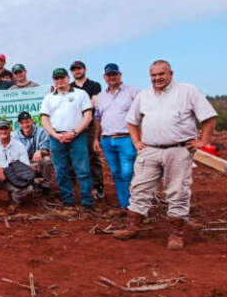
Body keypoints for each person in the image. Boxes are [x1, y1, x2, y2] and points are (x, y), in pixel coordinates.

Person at [113, 60, 217, 250]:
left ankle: (176, 233)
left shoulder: (188, 91)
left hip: (178, 150)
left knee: (177, 191)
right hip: (150, 149)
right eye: (153, 75)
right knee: (139, 188)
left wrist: (204, 141)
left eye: (161, 74)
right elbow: (132, 121)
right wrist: (136, 142)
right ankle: (133, 226)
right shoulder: (144, 95)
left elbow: (209, 117)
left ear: (171, 73)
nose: (157, 78)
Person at [40, 68, 94, 212]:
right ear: (53, 80)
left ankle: (87, 202)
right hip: (56, 138)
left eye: (62, 78)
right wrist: (55, 134)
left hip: (77, 137)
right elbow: (44, 118)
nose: (60, 81)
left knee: (82, 170)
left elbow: (88, 115)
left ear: (67, 78)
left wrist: (75, 132)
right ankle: (67, 201)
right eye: (56, 79)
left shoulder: (80, 94)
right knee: (61, 171)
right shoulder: (49, 97)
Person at [91, 63, 140, 211]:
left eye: (114, 74)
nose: (112, 77)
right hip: (107, 140)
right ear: (105, 77)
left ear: (120, 75)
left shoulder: (133, 92)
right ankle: (125, 205)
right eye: (109, 75)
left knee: (127, 173)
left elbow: (141, 115)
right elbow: (97, 119)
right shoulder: (100, 97)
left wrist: (140, 138)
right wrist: (95, 139)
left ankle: (135, 205)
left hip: (126, 138)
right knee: (116, 173)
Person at [70, 60, 105, 199]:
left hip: (90, 126)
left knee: (92, 156)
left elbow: (94, 103)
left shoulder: (94, 85)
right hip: (73, 126)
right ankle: (73, 188)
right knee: (72, 157)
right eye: (74, 69)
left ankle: (97, 186)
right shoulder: (70, 87)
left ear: (84, 69)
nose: (77, 71)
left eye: (79, 68)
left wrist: (77, 107)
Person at [12, 111, 53, 195]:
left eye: (27, 122)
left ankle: (46, 187)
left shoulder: (41, 131)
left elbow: (46, 150)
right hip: (24, 164)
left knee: (47, 160)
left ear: (32, 121)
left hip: (38, 162)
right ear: (19, 124)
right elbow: (14, 156)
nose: (25, 125)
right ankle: (25, 186)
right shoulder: (14, 136)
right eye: (22, 123)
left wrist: (40, 151)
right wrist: (27, 165)